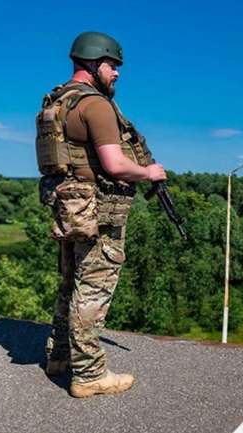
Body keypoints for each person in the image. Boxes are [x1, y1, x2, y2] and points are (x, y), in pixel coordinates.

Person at [35, 31, 166, 398]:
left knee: (69, 283)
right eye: (113, 65)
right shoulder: (96, 105)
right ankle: (90, 374)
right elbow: (115, 164)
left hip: (70, 207)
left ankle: (59, 356)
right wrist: (150, 173)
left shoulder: (58, 101)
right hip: (98, 212)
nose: (117, 73)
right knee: (92, 289)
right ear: (94, 63)